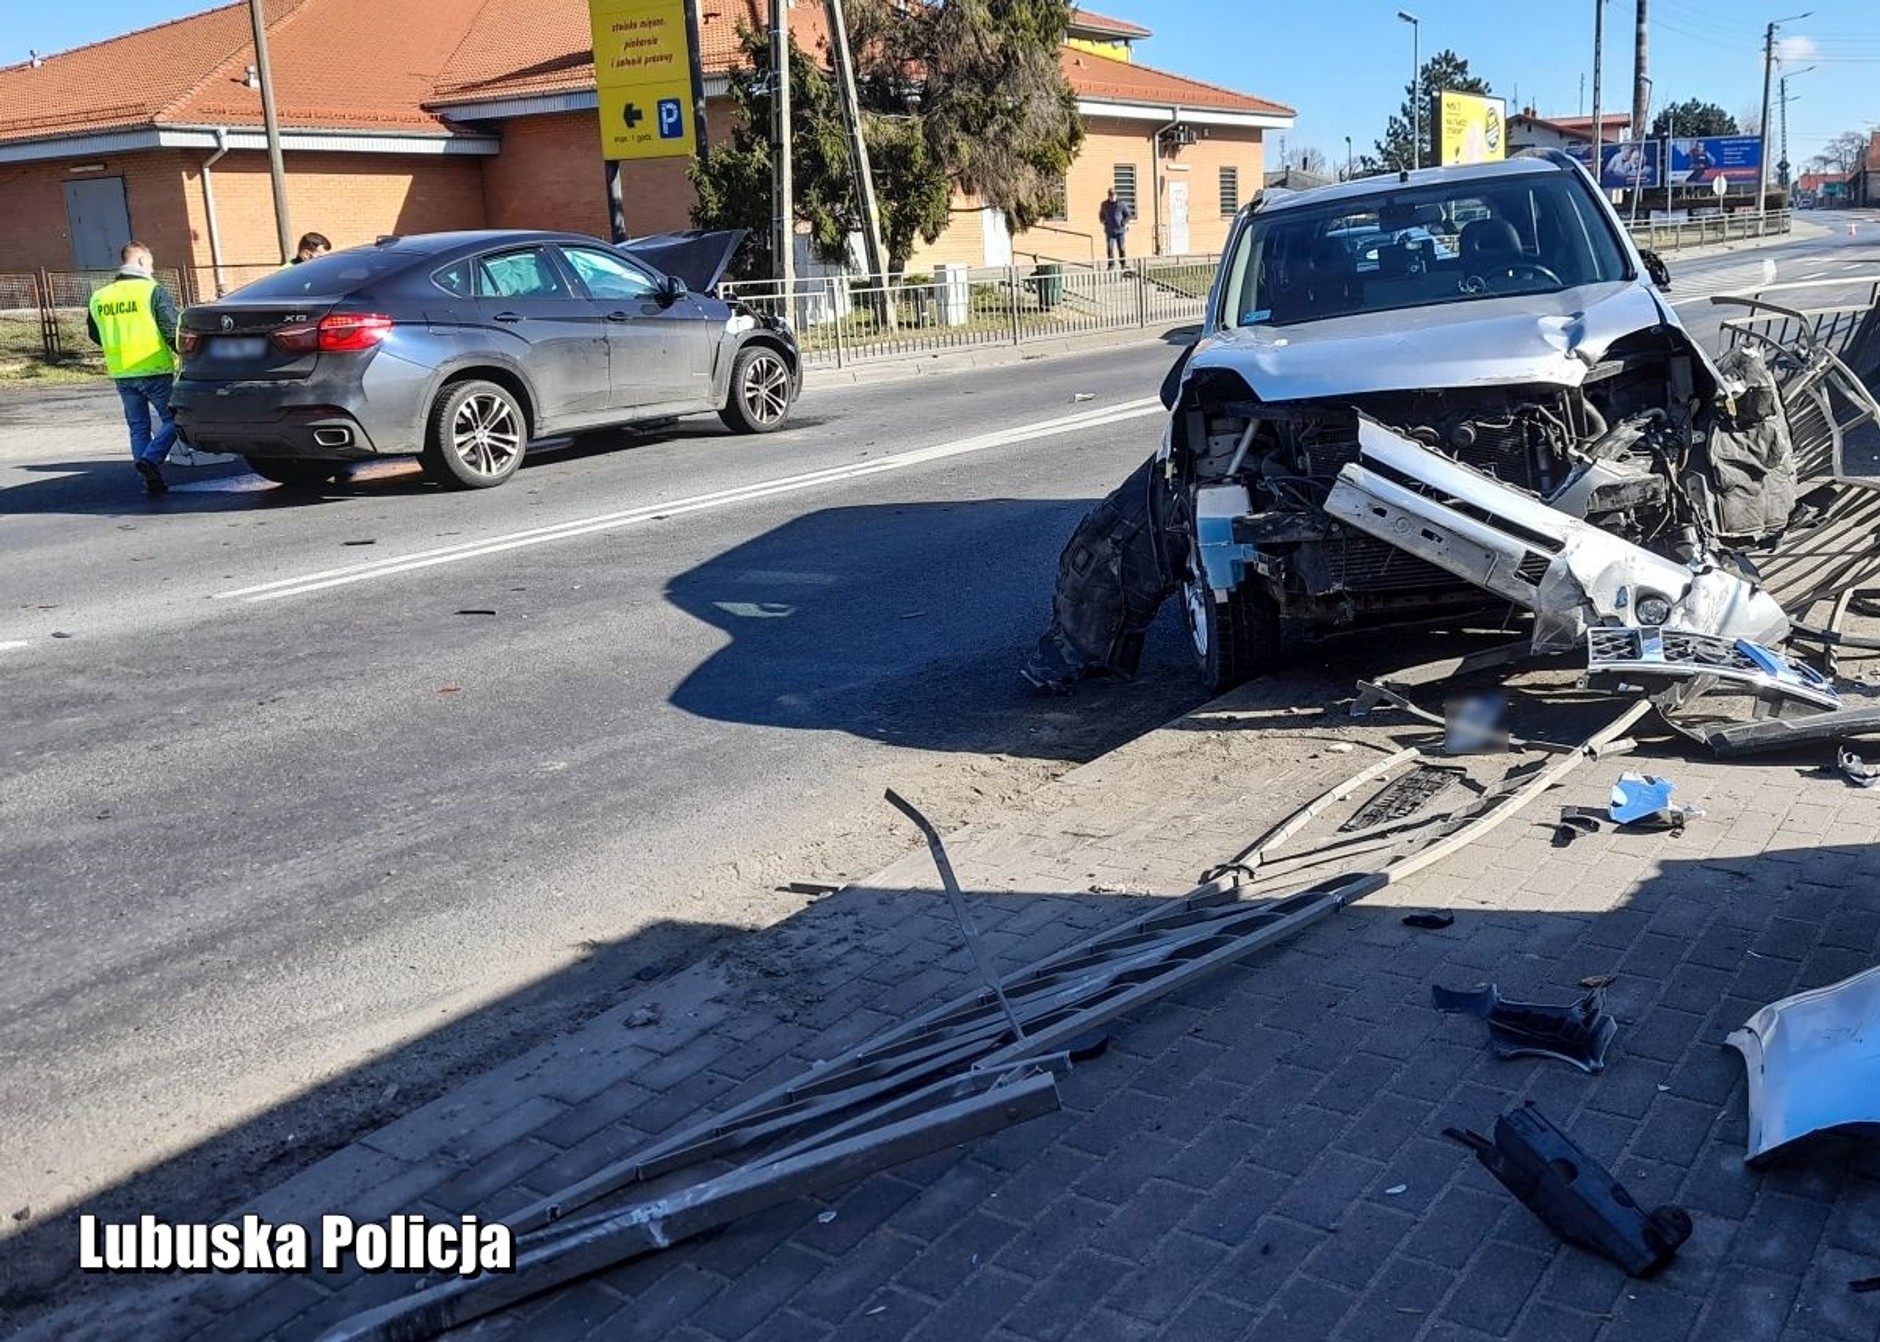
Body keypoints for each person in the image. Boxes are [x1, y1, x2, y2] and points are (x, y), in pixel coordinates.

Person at [87, 241, 181, 495]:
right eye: (150, 264)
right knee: (176, 419)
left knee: (138, 427)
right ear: (140, 261)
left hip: (122, 372)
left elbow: (95, 334)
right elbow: (171, 329)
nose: (152, 270)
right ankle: (151, 460)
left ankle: (149, 478)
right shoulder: (152, 291)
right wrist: (186, 353)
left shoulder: (99, 296)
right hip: (154, 368)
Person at [1098, 188, 1132, 270]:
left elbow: (1128, 215)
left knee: (1121, 248)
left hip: (1120, 231)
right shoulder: (1104, 204)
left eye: (1113, 195)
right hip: (1110, 231)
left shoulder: (1121, 204)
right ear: (1108, 196)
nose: (1112, 197)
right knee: (1110, 248)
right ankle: (1111, 264)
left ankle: (1123, 264)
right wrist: (1103, 221)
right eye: (1110, 195)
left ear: (1116, 195)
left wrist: (1123, 223)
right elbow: (1101, 214)